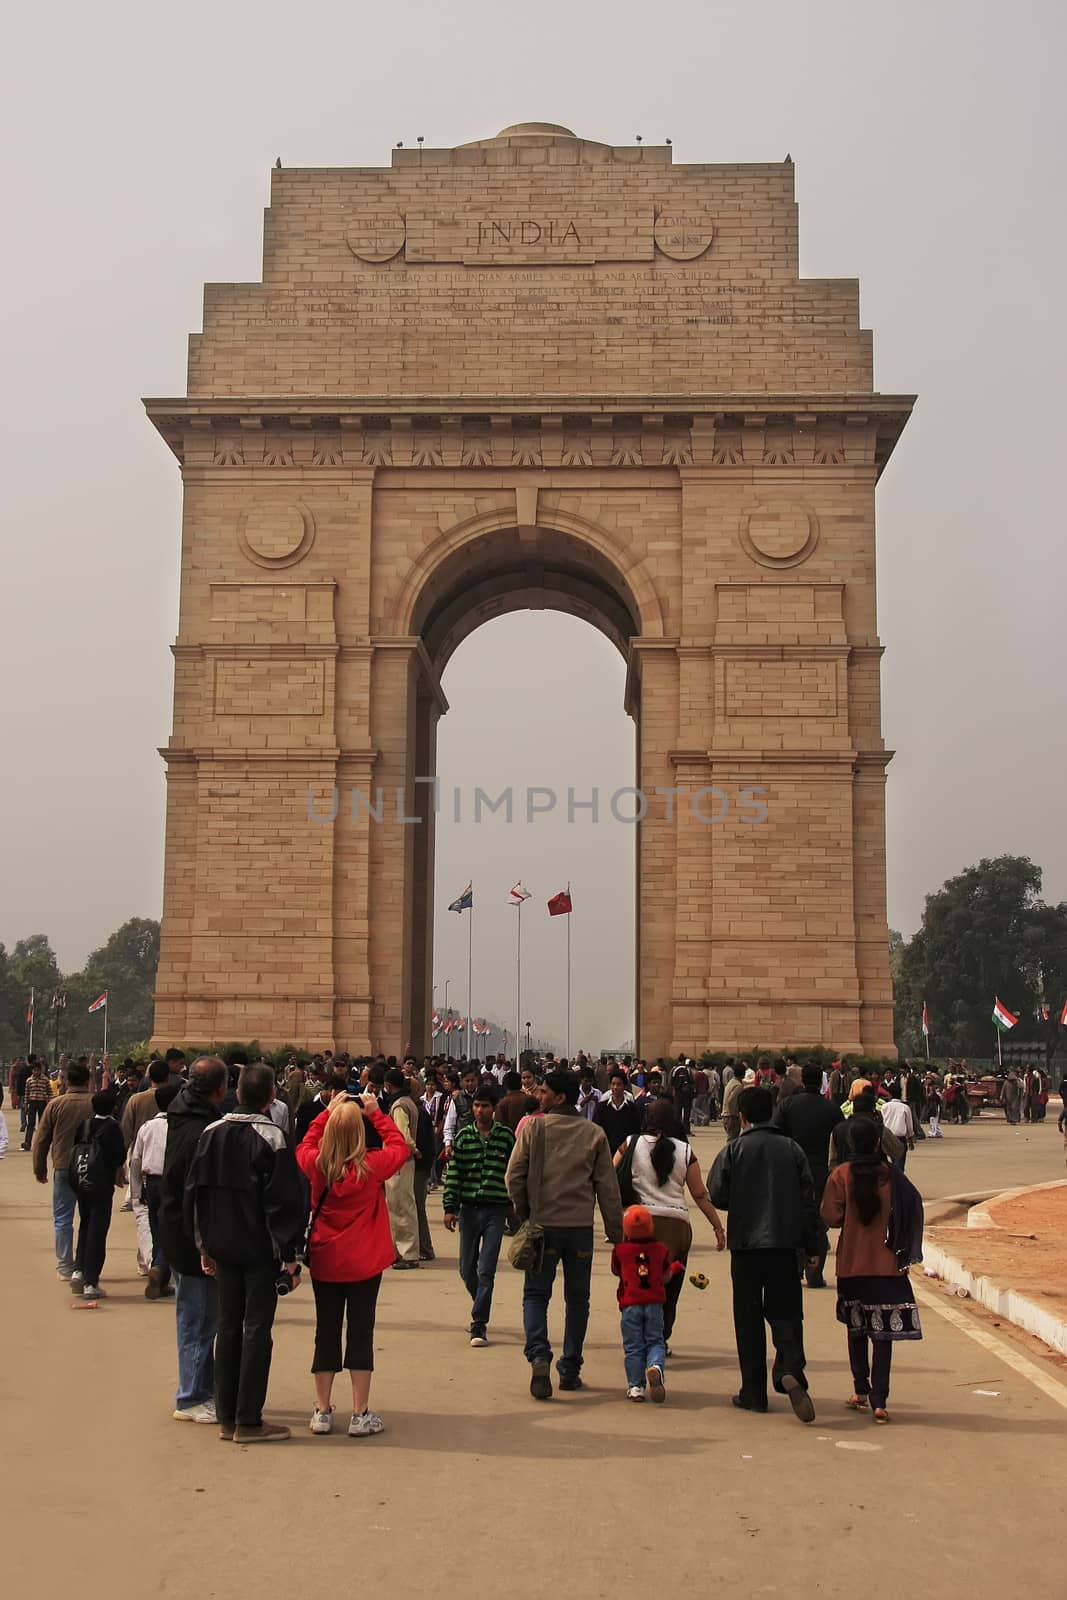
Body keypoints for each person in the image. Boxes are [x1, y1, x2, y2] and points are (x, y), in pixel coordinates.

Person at [185, 1063, 308, 1443]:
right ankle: (249, 1420)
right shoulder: (272, 1137)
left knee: (227, 1325)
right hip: (259, 1249)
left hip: (221, 1245)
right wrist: (290, 1255)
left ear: (236, 1091)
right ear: (272, 1096)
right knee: (256, 1329)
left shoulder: (210, 1133)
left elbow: (196, 1194)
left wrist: (203, 1246)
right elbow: (283, 1202)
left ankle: (226, 1417)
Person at [506, 1067, 624, 1400]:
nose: (537, 1096)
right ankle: (570, 1369)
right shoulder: (594, 1133)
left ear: (558, 1097)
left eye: (542, 1091)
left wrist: (524, 1213)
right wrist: (616, 1234)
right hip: (579, 1230)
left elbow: (513, 1176)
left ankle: (540, 1355)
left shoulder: (534, 1129)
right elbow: (608, 1189)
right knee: (577, 1299)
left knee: (535, 1295)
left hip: (543, 1226)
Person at [296, 1090, 410, 1436]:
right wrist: (375, 1112)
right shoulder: (372, 1167)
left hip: (327, 1258)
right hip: (364, 1261)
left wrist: (326, 1113)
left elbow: (304, 1143)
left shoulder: (317, 1165)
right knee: (361, 1331)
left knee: (325, 1331)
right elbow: (401, 1148)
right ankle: (360, 1413)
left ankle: (322, 1410)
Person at [707, 1086, 820, 1422]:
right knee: (786, 1312)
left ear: (741, 1116)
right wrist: (813, 1247)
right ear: (772, 1112)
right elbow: (807, 1200)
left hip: (745, 1245)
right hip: (785, 1244)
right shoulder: (792, 1148)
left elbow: (716, 1193)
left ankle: (753, 1393)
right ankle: (789, 1369)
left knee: (748, 1317)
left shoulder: (734, 1149)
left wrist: (741, 1200)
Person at [821, 1116, 924, 1423]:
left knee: (856, 1329)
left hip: (852, 1264)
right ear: (879, 1143)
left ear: (850, 1144)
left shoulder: (841, 1175)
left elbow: (830, 1216)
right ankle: (880, 1400)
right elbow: (913, 1207)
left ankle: (860, 1390)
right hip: (887, 1265)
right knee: (883, 1335)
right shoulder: (893, 1176)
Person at [613, 1097, 724, 1345]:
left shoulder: (631, 1143)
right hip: (677, 1227)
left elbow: (610, 1178)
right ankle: (661, 1338)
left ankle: (636, 1333)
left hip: (639, 1223)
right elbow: (699, 1194)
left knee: (633, 1280)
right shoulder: (685, 1151)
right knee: (669, 1287)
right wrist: (717, 1227)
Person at [158, 1055, 229, 1424]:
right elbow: (196, 1194)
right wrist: (206, 1245)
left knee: (201, 1317)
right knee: (197, 1319)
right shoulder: (200, 1130)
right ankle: (191, 1397)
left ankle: (202, 1389)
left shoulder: (180, 1114)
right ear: (220, 1089)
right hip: (191, 1238)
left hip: (178, 1229)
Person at [443, 1086, 516, 1346]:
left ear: (494, 1108)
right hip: (469, 1210)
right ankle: (481, 1301)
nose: (480, 1110)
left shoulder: (507, 1138)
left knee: (486, 1269)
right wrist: (449, 1207)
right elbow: (454, 1175)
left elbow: (514, 1172)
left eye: (485, 1106)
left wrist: (514, 1204)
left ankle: (479, 1324)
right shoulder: (463, 1138)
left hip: (496, 1210)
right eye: (476, 1105)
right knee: (466, 1269)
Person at [774, 1064, 845, 1287]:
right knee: (817, 1223)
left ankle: (794, 1270)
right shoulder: (831, 1108)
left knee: (792, 1220)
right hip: (819, 1171)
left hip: (791, 1169)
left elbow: (776, 1135)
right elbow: (842, 1136)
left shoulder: (787, 1105)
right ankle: (815, 1273)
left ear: (802, 1079)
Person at [611, 1204, 683, 1402]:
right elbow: (665, 1277)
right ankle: (656, 1366)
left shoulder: (620, 1250)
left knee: (633, 1346)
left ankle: (636, 1387)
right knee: (655, 1341)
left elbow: (616, 1271)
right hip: (654, 1303)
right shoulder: (661, 1250)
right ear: (651, 1227)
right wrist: (675, 1267)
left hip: (630, 1304)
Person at [31, 1059, 94, 1279]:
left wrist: (39, 1168)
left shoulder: (55, 1105)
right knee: (90, 1217)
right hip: (91, 1169)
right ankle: (85, 1265)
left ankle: (65, 1266)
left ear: (66, 1080)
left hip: (63, 1166)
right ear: (88, 1080)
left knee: (62, 1218)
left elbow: (41, 1140)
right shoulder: (95, 1103)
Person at [68, 1088, 127, 1299]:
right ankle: (91, 1282)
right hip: (102, 1184)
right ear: (113, 1107)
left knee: (84, 1224)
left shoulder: (84, 1125)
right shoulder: (112, 1128)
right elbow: (119, 1155)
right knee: (97, 1230)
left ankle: (78, 1269)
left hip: (82, 1182)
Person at [129, 1082, 181, 1299]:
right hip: (173, 1181)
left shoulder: (147, 1127)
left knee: (157, 1229)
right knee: (174, 1230)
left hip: (152, 1182)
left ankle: (159, 1271)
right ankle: (161, 1267)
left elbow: (135, 1160)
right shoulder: (180, 1126)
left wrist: (136, 1191)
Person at [382, 1068, 420, 1268]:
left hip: (399, 1161)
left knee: (401, 1208)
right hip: (404, 1161)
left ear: (388, 1085)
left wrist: (414, 1148)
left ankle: (408, 1253)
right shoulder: (408, 1102)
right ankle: (400, 1250)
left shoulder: (398, 1106)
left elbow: (402, 1135)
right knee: (401, 1206)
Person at [594, 1069, 642, 1155]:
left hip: (626, 1154)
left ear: (624, 1086)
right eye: (613, 1084)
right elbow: (596, 1131)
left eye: (619, 1084)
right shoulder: (601, 1108)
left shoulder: (632, 1108)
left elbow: (636, 1132)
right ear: (609, 1086)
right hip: (606, 1154)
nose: (615, 1087)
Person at [442, 1066, 479, 1154]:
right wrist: (448, 1144)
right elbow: (449, 1124)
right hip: (462, 1143)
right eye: (467, 1081)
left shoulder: (483, 1096)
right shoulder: (456, 1099)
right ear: (462, 1082)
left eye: (472, 1080)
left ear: (477, 1080)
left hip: (481, 1142)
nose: (470, 1083)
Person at [880, 1086, 916, 1170]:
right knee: (899, 1164)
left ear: (889, 1095)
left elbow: (881, 1122)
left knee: (888, 1163)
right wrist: (910, 1140)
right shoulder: (905, 1107)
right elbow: (909, 1126)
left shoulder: (884, 1107)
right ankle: (898, 1180)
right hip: (900, 1138)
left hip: (887, 1137)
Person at [21, 1058, 53, 1150]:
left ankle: (42, 1143)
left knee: (42, 1124)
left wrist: (49, 1103)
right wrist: (26, 1105)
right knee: (31, 1124)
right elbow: (26, 1093)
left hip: (42, 1103)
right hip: (32, 1103)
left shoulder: (45, 1080)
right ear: (32, 1070)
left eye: (38, 1070)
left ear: (40, 1070)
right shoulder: (29, 1080)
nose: (36, 1072)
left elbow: (49, 1092)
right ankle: (27, 1143)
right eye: (34, 1070)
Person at [721, 1065, 745, 1140]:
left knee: (731, 1138)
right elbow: (731, 1100)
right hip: (731, 1116)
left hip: (726, 1115)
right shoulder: (738, 1085)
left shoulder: (731, 1082)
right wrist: (732, 1115)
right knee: (732, 1140)